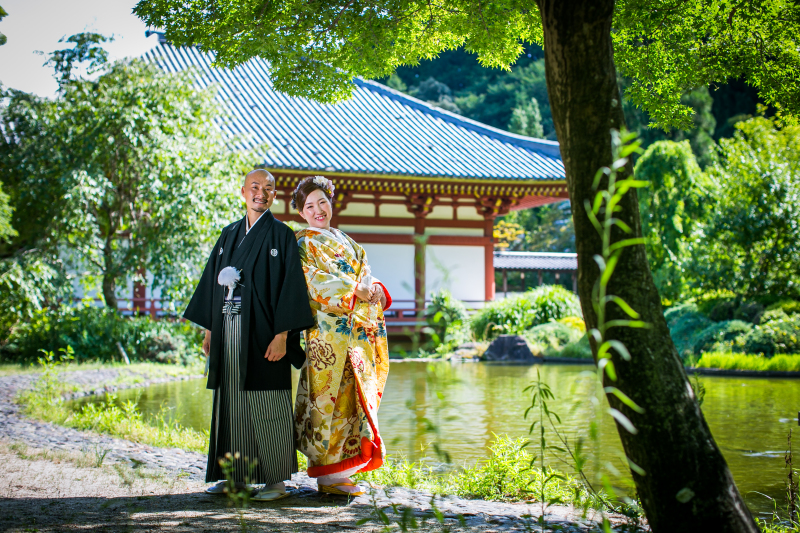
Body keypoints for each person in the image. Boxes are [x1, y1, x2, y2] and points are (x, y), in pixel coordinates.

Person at [184, 168, 315, 501]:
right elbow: (212, 283)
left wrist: (283, 335)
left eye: (268, 188)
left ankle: (276, 482)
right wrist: (209, 330)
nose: (261, 193)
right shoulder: (228, 234)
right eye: (255, 187)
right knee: (231, 403)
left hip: (265, 333)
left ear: (274, 195)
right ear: (243, 192)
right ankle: (235, 478)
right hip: (227, 328)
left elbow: (290, 287)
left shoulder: (281, 235)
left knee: (268, 401)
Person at [291, 175, 391, 496]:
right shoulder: (303, 244)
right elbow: (311, 281)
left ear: (331, 203)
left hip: (357, 332)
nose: (318, 210)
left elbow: (366, 276)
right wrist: (354, 289)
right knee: (329, 401)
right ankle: (328, 476)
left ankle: (343, 472)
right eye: (309, 206)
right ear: (301, 213)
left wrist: (375, 289)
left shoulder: (349, 242)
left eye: (322, 202)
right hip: (327, 334)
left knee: (354, 399)